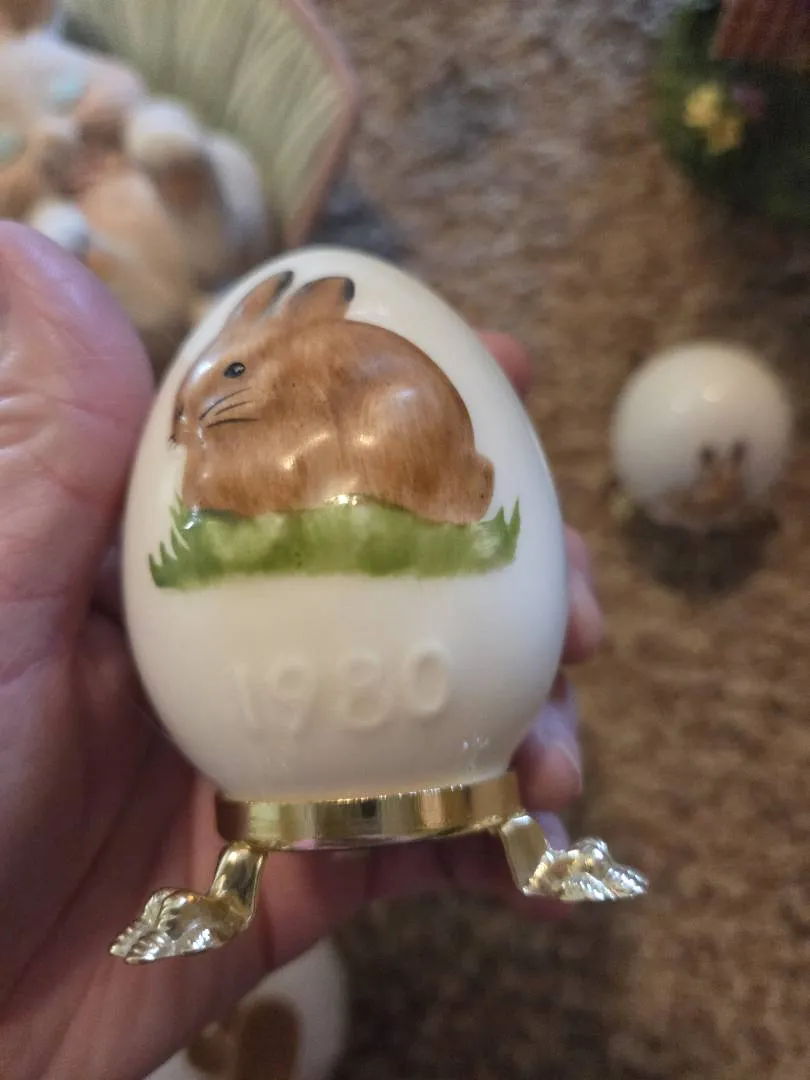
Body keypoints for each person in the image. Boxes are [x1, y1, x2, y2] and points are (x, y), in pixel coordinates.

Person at [0, 222, 603, 1080]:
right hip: (257, 744)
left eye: (230, 378)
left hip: (408, 488)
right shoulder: (249, 407)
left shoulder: (345, 384)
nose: (195, 420)